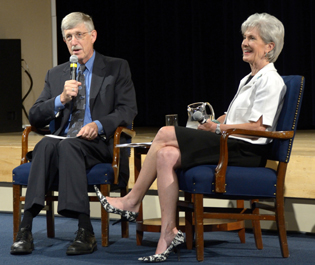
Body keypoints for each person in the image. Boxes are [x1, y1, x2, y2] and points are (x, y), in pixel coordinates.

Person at [94, 12, 286, 262]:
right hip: (232, 143)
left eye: (252, 38)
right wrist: (213, 123)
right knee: (165, 154)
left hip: (245, 150)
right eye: (244, 37)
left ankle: (131, 200)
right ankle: (169, 233)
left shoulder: (271, 80)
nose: (244, 42)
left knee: (164, 133)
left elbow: (259, 128)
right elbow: (233, 118)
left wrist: (216, 130)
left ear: (269, 47)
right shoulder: (248, 78)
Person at [10, 12, 137, 256]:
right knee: (46, 144)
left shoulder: (115, 67)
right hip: (63, 143)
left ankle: (84, 230)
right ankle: (25, 230)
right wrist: (60, 99)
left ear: (93, 36)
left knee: (66, 146)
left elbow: (127, 109)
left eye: (79, 34)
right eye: (68, 37)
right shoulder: (56, 74)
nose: (74, 41)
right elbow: (35, 115)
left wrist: (98, 124)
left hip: (98, 143)